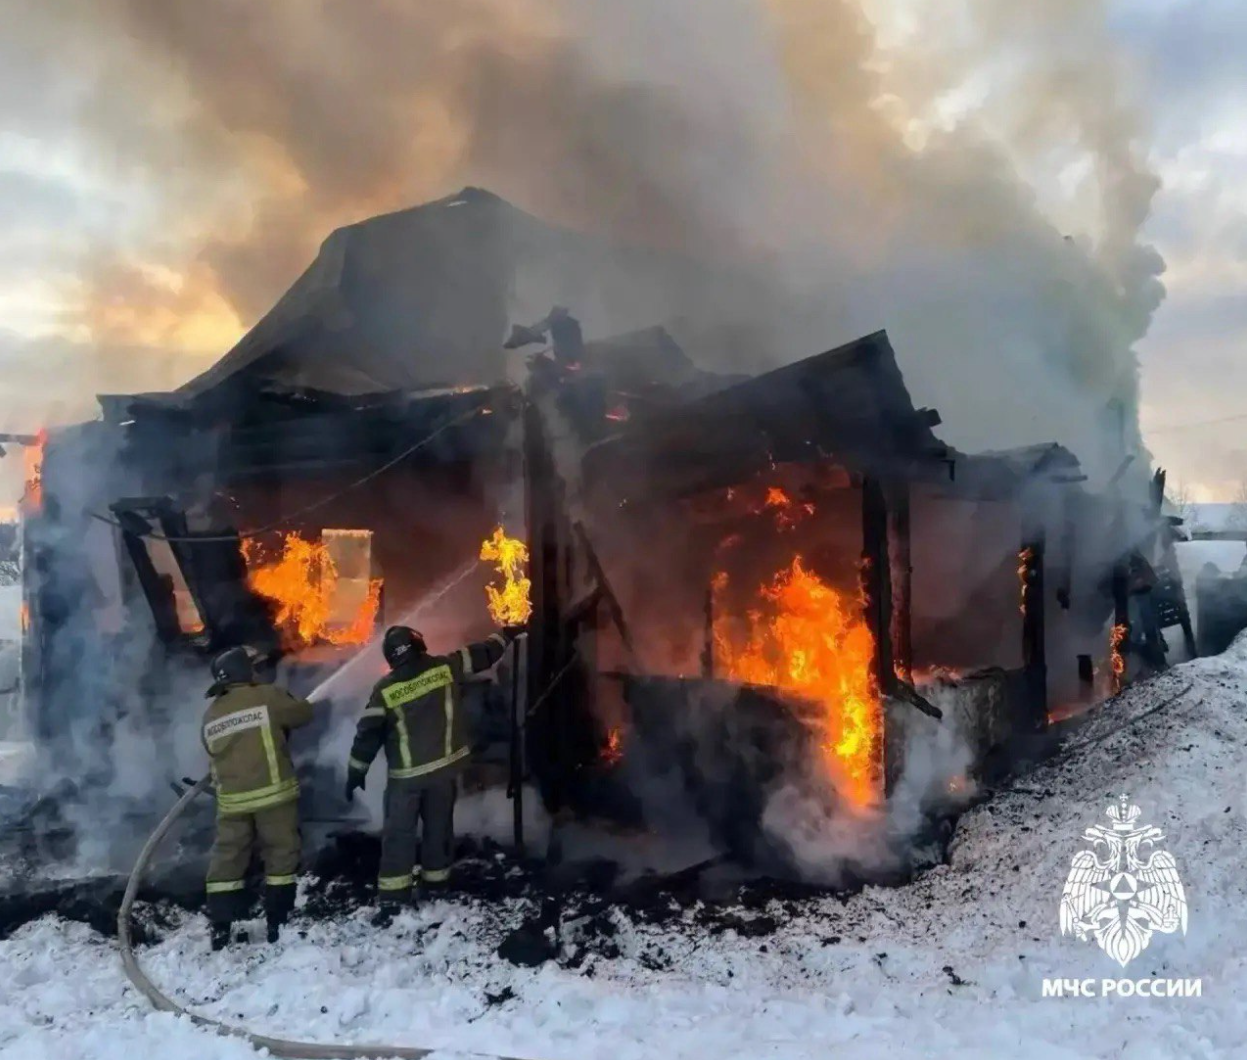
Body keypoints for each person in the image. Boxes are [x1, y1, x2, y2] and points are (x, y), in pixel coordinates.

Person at [345, 624, 520, 918]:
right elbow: (484, 654)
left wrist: (356, 772)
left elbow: (368, 735)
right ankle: (436, 887)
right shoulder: (445, 668)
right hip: (443, 772)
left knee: (399, 836)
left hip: (407, 779)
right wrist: (506, 634)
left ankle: (393, 900)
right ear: (418, 644)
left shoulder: (386, 689)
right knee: (438, 831)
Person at [201, 646, 313, 950]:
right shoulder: (266, 696)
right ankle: (277, 922)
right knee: (281, 853)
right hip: (272, 796)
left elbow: (211, 751)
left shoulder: (211, 714)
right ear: (245, 672)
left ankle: (220, 928)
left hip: (232, 803)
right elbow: (303, 714)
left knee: (227, 858)